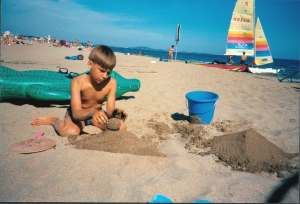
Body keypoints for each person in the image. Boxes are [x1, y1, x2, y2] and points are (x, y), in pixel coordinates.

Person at [31, 45, 126, 137]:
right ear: (90, 63)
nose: (105, 76)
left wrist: (116, 114)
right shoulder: (77, 82)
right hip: (77, 114)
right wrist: (92, 112)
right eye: (101, 70)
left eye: (109, 72)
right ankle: (53, 120)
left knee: (120, 127)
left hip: (96, 115)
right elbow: (76, 114)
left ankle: (91, 123)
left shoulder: (111, 83)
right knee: (70, 132)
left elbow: (109, 111)